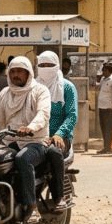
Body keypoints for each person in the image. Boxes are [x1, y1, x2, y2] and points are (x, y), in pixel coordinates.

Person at [0, 56, 66, 223]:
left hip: (37, 141)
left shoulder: (40, 91)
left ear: (28, 73)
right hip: (9, 141)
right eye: (13, 71)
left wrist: (31, 127)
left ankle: (32, 208)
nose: (16, 75)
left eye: (20, 71)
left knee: (22, 158)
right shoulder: (5, 93)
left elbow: (43, 114)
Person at [35, 51, 76, 207]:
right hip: (37, 137)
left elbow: (72, 116)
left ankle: (59, 197)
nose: (45, 69)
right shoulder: (33, 87)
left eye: (50, 66)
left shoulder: (67, 88)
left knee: (52, 152)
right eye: (42, 66)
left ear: (57, 66)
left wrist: (59, 134)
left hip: (59, 137)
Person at [96, 64, 112, 154]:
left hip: (109, 108)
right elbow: (100, 87)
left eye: (106, 71)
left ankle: (110, 147)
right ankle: (106, 146)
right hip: (101, 106)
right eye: (103, 70)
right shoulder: (103, 79)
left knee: (109, 128)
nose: (104, 72)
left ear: (110, 71)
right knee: (103, 127)